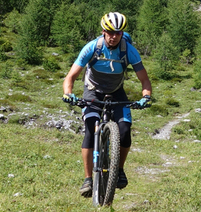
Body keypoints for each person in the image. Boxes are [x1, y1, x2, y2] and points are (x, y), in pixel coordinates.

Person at [62, 11, 152, 198]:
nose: (113, 36)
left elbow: (144, 80)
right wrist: (68, 94)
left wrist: (146, 97)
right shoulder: (92, 47)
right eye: (110, 32)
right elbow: (70, 77)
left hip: (116, 91)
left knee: (125, 130)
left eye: (118, 33)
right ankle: (88, 179)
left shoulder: (128, 50)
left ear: (122, 33)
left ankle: (119, 170)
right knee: (90, 130)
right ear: (103, 31)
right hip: (92, 91)